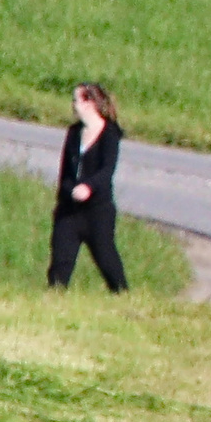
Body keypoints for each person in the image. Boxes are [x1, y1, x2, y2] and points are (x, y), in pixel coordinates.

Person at [48, 83, 129, 293]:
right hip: (69, 210)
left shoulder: (110, 133)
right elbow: (65, 171)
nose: (73, 104)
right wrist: (68, 191)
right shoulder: (74, 132)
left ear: (90, 102)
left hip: (98, 211)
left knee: (106, 258)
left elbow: (107, 170)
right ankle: (53, 299)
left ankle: (122, 296)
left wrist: (88, 187)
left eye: (76, 100)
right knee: (60, 262)